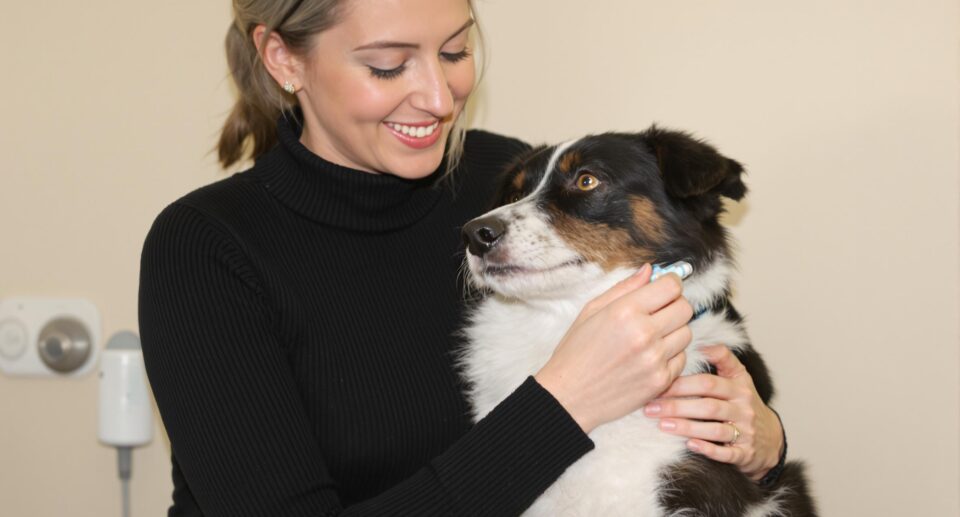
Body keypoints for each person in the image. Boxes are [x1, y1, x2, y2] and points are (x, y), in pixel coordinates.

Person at [138, 0, 787, 515]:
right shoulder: (207, 250)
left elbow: (709, 321)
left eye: (455, 51)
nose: (439, 97)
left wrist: (761, 435)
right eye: (389, 65)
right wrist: (563, 403)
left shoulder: (511, 184)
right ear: (283, 58)